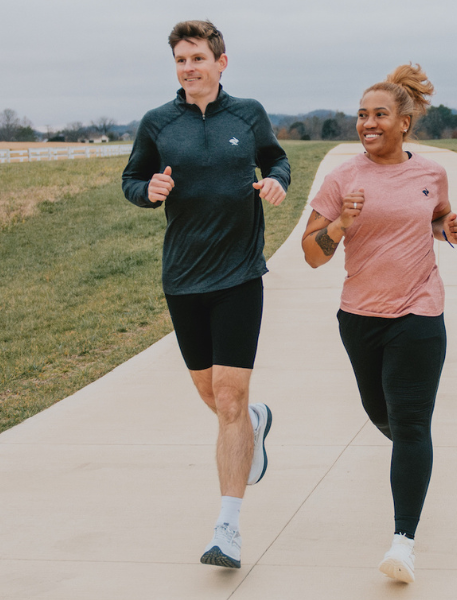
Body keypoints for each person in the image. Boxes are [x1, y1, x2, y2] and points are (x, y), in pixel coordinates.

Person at [122, 20, 290, 570]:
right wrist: (148, 191)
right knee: (215, 400)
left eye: (197, 58)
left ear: (222, 62)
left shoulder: (248, 114)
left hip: (239, 274)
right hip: (183, 277)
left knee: (228, 399)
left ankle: (228, 527)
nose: (189, 68)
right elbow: (132, 179)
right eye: (180, 60)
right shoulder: (158, 123)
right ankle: (257, 422)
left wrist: (276, 182)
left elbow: (277, 158)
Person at [301, 63, 457, 583]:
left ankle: (403, 541)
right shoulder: (343, 178)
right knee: (385, 416)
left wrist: (449, 228)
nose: (367, 123)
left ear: (405, 122)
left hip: (420, 311)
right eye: (361, 115)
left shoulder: (430, 174)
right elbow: (310, 254)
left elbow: (437, 216)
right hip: (359, 316)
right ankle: (413, 458)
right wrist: (343, 222)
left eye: (379, 115)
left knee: (413, 422)